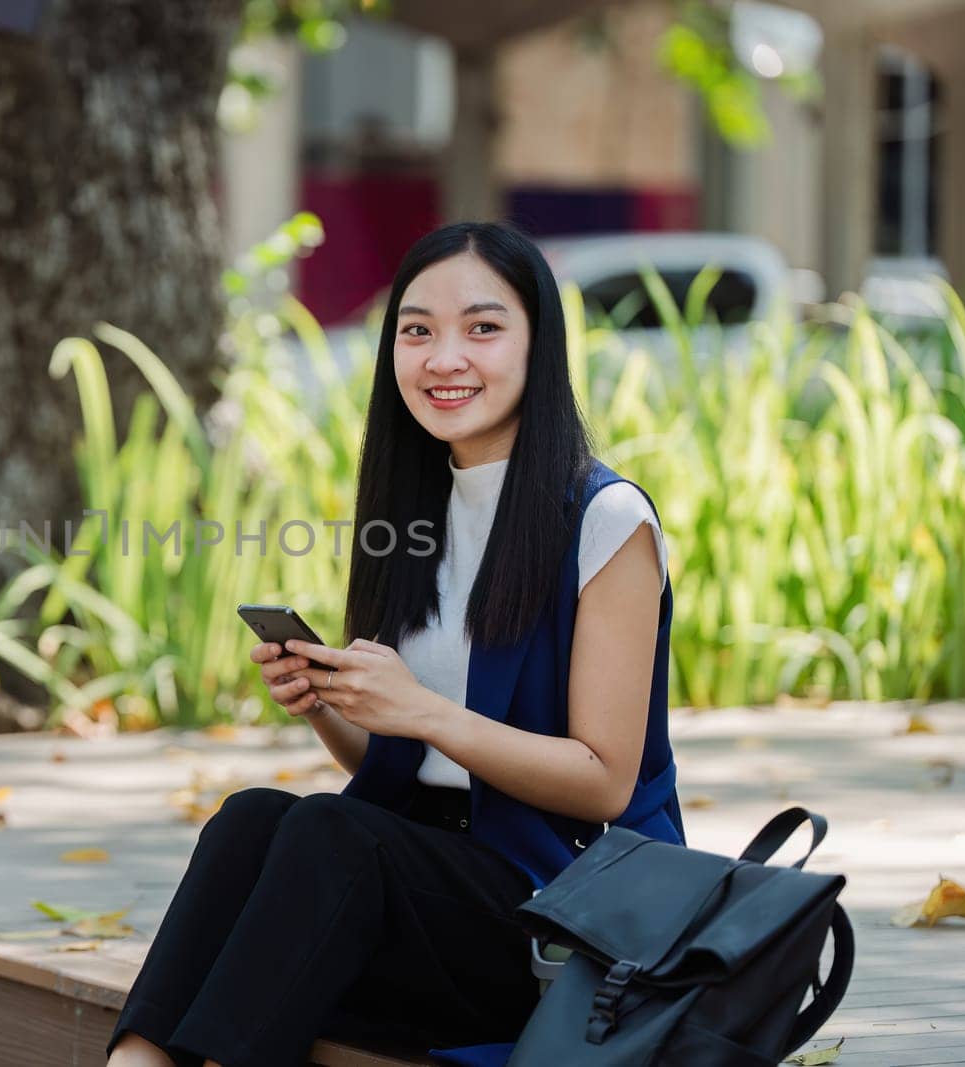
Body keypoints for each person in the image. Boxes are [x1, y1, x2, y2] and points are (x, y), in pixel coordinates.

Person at [105, 221, 685, 1067]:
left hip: (564, 921)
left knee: (333, 835)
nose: (445, 357)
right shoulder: (409, 517)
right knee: (254, 819)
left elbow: (602, 783)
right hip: (428, 892)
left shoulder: (605, 519)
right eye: (417, 331)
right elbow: (397, 767)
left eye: (482, 328)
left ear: (538, 344)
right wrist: (328, 703)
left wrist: (424, 710)